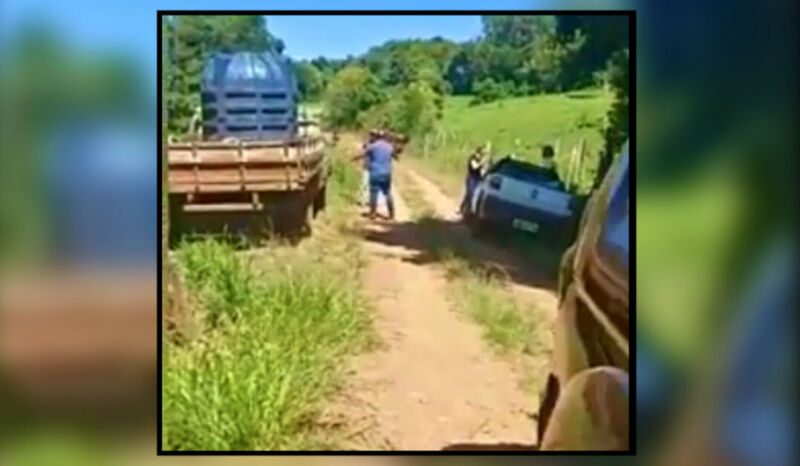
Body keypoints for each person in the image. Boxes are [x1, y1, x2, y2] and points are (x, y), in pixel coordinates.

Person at [363, 129, 397, 220]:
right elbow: (395, 155)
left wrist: (353, 158)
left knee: (373, 193)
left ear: (377, 137)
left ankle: (373, 213)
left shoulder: (373, 146)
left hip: (375, 173)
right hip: (386, 173)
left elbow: (363, 154)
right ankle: (391, 214)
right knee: (388, 193)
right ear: (385, 137)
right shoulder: (389, 147)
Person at [459, 145, 488, 215]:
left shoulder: (479, 160)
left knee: (472, 195)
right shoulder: (473, 158)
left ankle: (465, 209)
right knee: (471, 194)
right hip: (472, 178)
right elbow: (474, 167)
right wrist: (482, 163)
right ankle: (467, 210)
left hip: (477, 179)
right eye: (482, 154)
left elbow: (482, 170)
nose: (482, 155)